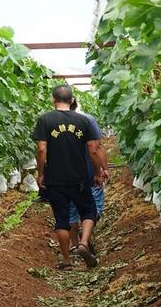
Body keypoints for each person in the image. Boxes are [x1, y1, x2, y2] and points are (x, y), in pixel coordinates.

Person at [32, 85, 107, 270]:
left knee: (62, 220)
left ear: (53, 100)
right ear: (72, 100)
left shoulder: (45, 120)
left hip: (55, 179)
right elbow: (93, 149)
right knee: (88, 211)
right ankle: (83, 242)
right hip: (80, 178)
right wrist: (98, 172)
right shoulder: (83, 120)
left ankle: (67, 261)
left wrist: (40, 174)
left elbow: (41, 149)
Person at [68, 99, 109, 254]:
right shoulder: (87, 120)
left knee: (71, 209)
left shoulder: (52, 121)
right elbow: (95, 148)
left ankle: (74, 244)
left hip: (65, 176)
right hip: (88, 175)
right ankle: (84, 239)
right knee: (93, 208)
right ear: (75, 104)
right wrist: (102, 171)